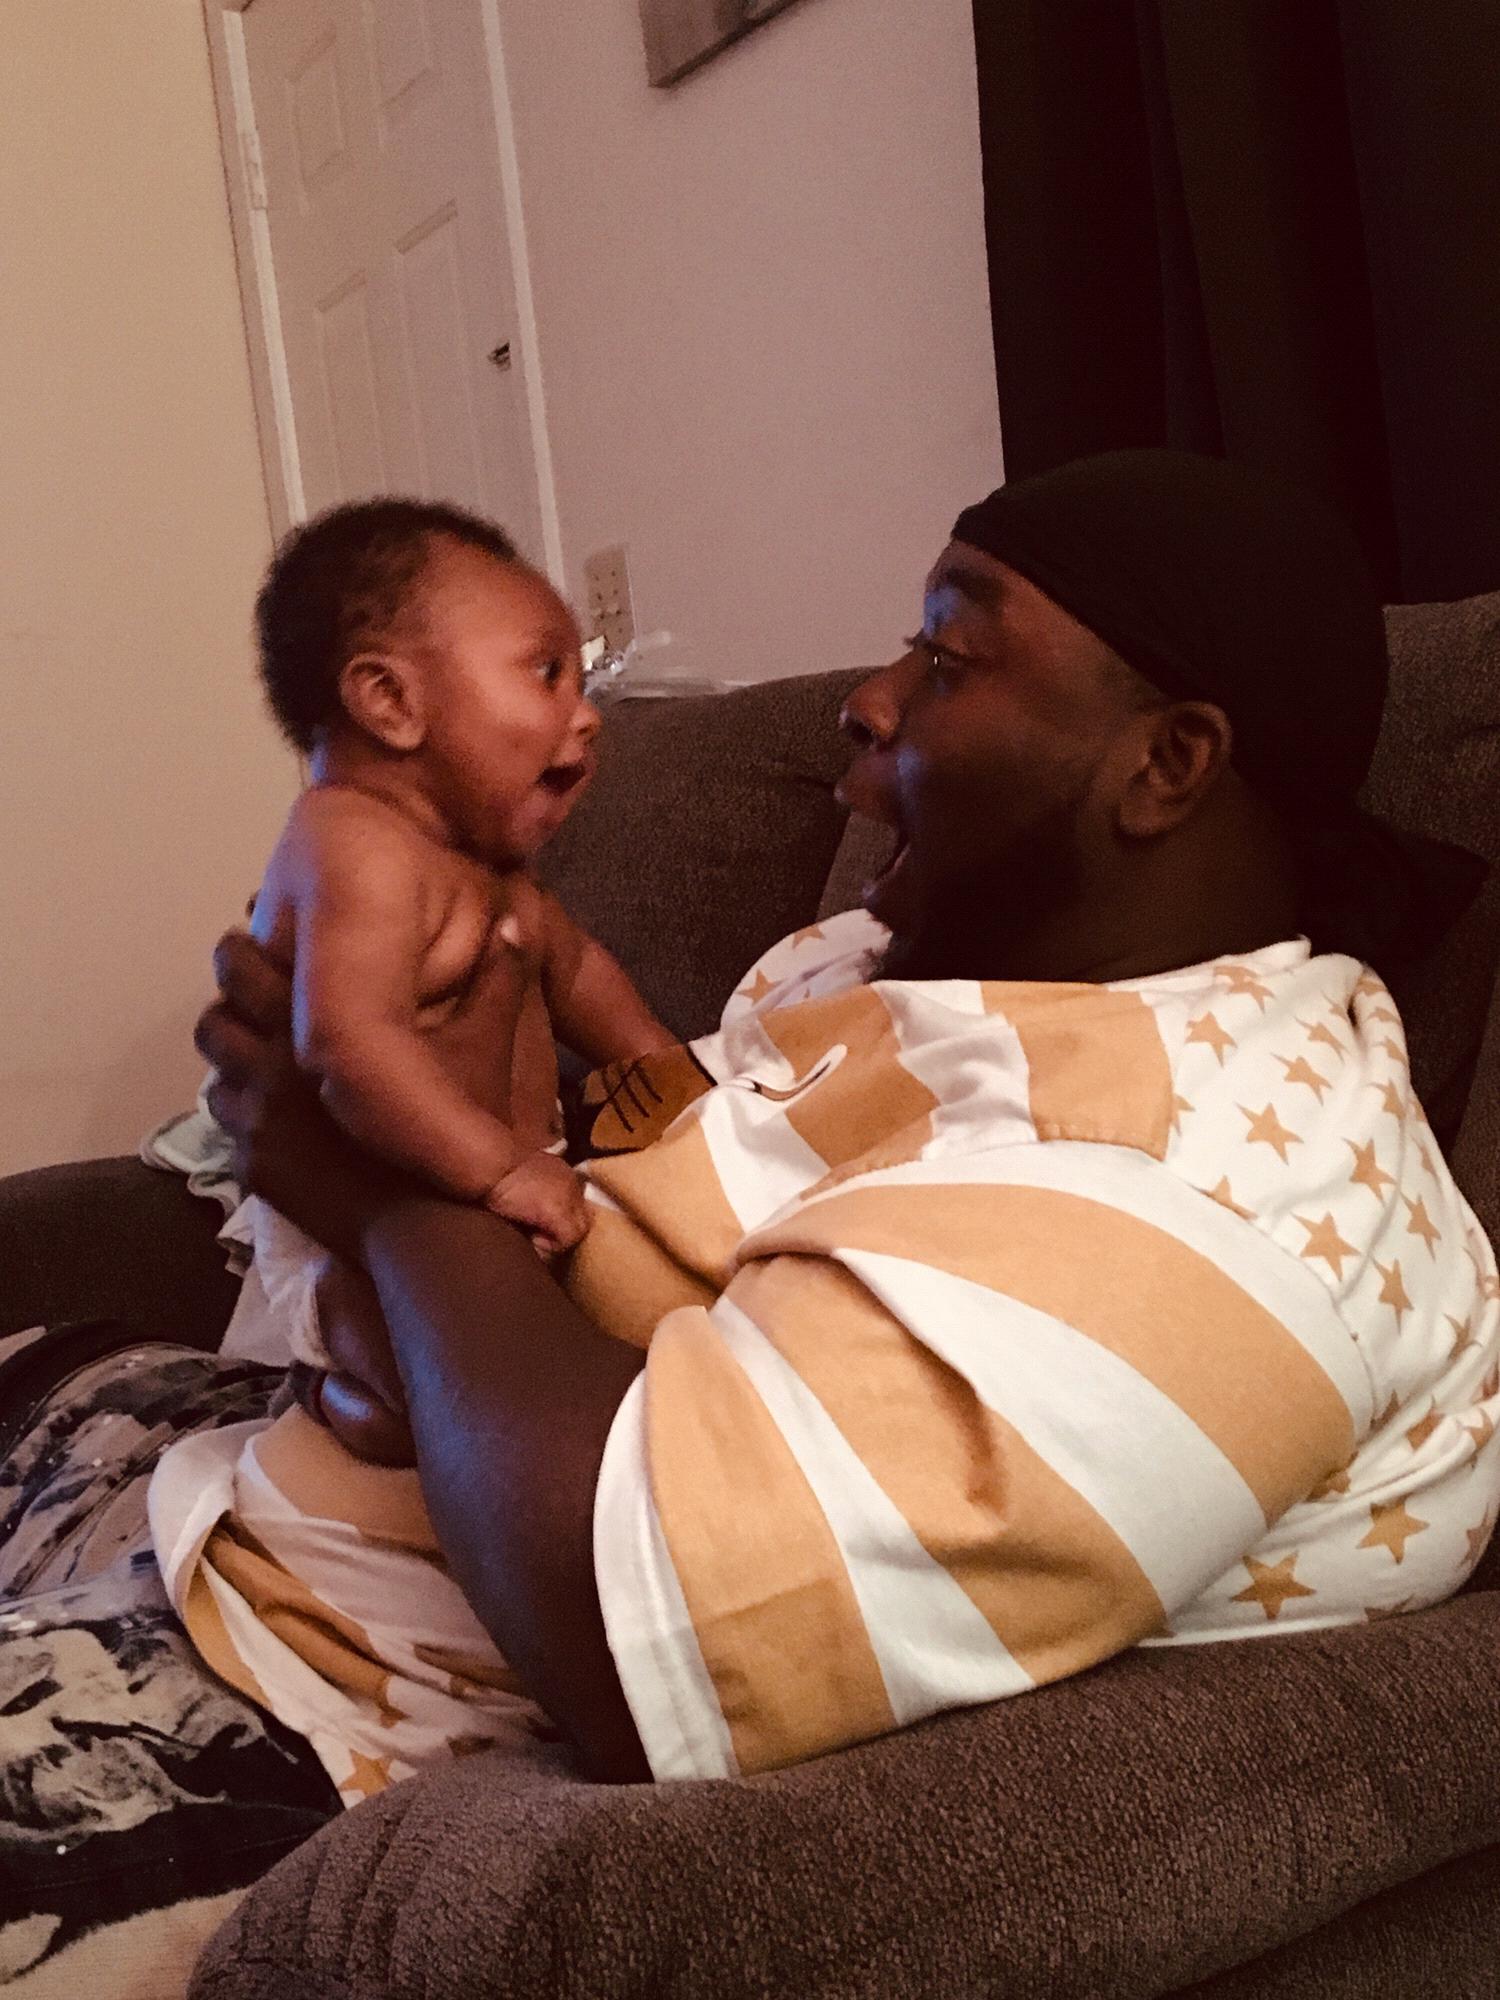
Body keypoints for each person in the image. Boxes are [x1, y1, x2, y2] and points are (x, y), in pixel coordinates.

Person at [1, 451, 1496, 1985]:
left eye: (948, 653)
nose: (868, 698)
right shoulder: (897, 960)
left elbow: (624, 1622)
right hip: (248, 1497)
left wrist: (375, 1178)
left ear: (1167, 764)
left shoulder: (1219, 1197)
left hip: (329, 1698)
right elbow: (673, 1150)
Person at [150, 499, 677, 1807]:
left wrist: (676, 1091)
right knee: (397, 1390)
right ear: (389, 701)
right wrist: (495, 1171)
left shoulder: (493, 873)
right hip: (363, 1208)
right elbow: (348, 1043)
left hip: (498, 1211)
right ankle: (345, 1411)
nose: (586, 715)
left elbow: (586, 982)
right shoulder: (352, 845)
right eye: (545, 673)